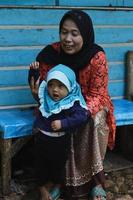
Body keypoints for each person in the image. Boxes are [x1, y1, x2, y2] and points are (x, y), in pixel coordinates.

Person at [29, 9, 116, 200]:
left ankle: (95, 181)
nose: (67, 39)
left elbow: (98, 94)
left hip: (91, 103)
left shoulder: (96, 56)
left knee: (92, 120)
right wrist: (37, 94)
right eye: (64, 32)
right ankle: (59, 181)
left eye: (74, 34)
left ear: (85, 34)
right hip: (59, 102)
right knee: (55, 121)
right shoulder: (50, 54)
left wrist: (79, 112)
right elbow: (46, 90)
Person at [31, 64, 89, 200]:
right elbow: (35, 82)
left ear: (69, 87)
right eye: (51, 85)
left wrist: (63, 123)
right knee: (40, 165)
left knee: (58, 166)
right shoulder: (46, 97)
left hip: (60, 141)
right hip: (42, 139)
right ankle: (41, 187)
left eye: (60, 86)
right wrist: (33, 71)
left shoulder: (71, 102)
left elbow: (82, 116)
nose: (54, 90)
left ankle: (54, 185)